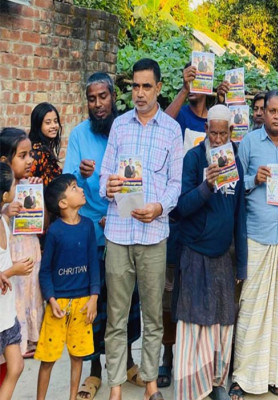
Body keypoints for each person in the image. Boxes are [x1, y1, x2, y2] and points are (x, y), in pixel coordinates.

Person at [99, 58, 183, 400]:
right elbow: (104, 175)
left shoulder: (171, 130)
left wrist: (159, 207)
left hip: (153, 235)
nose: (140, 92)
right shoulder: (119, 126)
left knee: (152, 316)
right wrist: (109, 187)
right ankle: (116, 387)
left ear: (159, 88)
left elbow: (175, 184)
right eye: (135, 86)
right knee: (116, 318)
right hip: (119, 233)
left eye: (146, 86)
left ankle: (150, 384)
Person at [63, 72, 145, 399]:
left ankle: (127, 364)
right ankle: (95, 371)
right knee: (93, 308)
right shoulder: (79, 135)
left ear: (113, 96)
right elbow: (67, 184)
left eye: (103, 97)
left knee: (126, 303)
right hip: (92, 237)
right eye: (91, 99)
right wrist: (80, 175)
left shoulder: (126, 128)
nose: (98, 104)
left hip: (125, 229)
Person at [172, 105, 245, 400]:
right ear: (205, 130)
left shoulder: (235, 163)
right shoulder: (193, 158)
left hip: (223, 255)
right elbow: (180, 207)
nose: (217, 139)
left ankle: (216, 382)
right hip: (195, 252)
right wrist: (207, 186)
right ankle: (192, 387)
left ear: (230, 132)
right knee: (194, 321)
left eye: (222, 134)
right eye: (212, 133)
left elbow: (239, 215)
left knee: (221, 321)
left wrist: (242, 263)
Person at [161, 64, 228, 386]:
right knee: (173, 296)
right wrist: (185, 90)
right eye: (213, 133)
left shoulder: (221, 133)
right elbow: (163, 123)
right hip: (180, 225)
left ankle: (208, 371)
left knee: (207, 304)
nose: (216, 138)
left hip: (211, 236)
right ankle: (168, 356)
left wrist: (224, 101)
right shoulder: (181, 117)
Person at [231, 91, 278, 397]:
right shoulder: (248, 143)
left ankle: (273, 373)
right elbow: (234, 185)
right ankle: (242, 376)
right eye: (272, 111)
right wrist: (253, 179)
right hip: (255, 234)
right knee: (250, 307)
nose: (276, 116)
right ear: (264, 113)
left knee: (275, 308)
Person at [35, 174, 100, 400]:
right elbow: (45, 271)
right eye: (74, 187)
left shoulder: (88, 226)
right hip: (58, 303)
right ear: (63, 203)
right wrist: (51, 300)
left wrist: (94, 298)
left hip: (83, 303)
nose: (80, 189)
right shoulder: (54, 231)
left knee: (77, 356)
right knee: (48, 358)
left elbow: (93, 263)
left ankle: (72, 397)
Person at [0, 128, 43, 360]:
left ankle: (30, 339)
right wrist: (6, 212)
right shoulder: (3, 192)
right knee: (13, 299)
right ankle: (15, 344)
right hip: (11, 257)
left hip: (30, 251)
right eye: (22, 155)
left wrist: (38, 195)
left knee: (30, 295)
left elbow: (43, 224)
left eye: (30, 155)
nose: (29, 160)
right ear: (5, 161)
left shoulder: (30, 186)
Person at [0, 162, 24, 400]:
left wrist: (13, 267)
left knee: (16, 366)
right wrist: (14, 270)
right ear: (5, 195)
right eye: (14, 185)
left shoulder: (3, 220)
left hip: (6, 314)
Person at [28, 102, 63, 186]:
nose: (54, 126)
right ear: (38, 125)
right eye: (48, 122)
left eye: (55, 121)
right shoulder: (37, 153)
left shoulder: (46, 150)